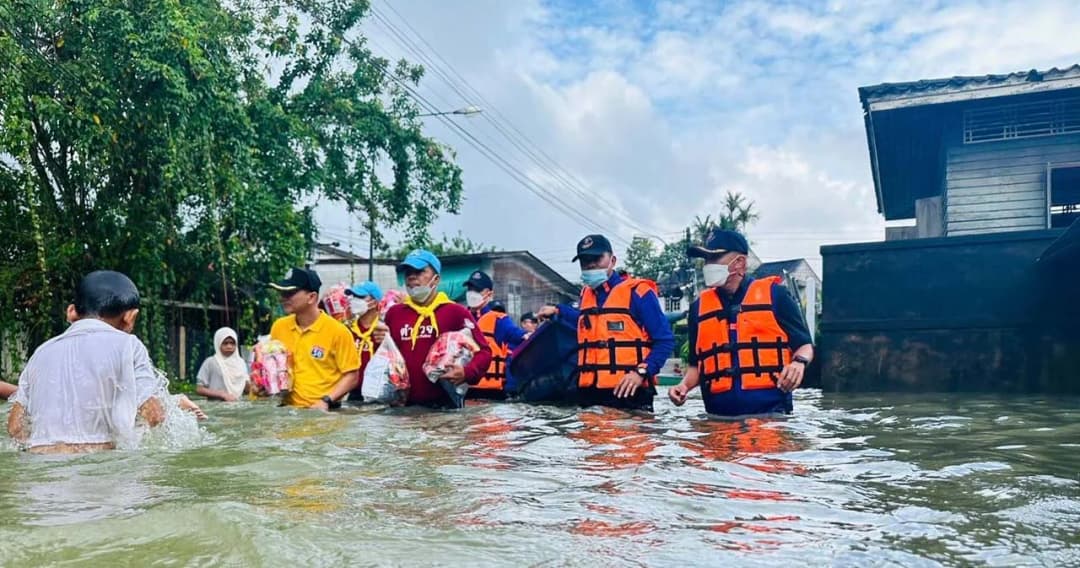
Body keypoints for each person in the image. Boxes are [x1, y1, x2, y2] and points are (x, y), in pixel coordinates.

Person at [6, 270, 205, 453]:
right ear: (130, 317)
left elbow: (15, 427)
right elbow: (153, 415)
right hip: (98, 469)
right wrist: (174, 403)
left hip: (41, 472)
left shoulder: (41, 352)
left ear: (71, 312)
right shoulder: (129, 345)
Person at [669, 229, 814, 416]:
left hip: (771, 418)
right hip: (717, 420)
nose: (707, 265)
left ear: (739, 263)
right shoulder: (698, 308)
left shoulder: (776, 295)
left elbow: (805, 346)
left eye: (715, 258)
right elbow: (696, 366)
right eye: (706, 259)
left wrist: (798, 363)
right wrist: (683, 386)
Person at [537, 235, 675, 412]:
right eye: (585, 261)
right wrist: (558, 311)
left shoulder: (638, 293)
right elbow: (587, 323)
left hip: (630, 394)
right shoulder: (586, 295)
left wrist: (641, 372)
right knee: (591, 439)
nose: (590, 265)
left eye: (596, 258)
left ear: (613, 260)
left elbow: (665, 341)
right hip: (589, 394)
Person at [382, 250, 492, 408]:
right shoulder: (395, 313)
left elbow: (484, 352)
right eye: (408, 272)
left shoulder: (455, 312)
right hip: (402, 409)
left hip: (443, 409)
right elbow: (386, 356)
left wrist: (466, 372)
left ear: (436, 279)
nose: (412, 277)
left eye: (419, 271)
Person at [269, 267, 360, 411]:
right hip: (286, 412)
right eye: (282, 293)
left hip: (324, 414)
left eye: (290, 293)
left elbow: (352, 376)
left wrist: (326, 400)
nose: (283, 298)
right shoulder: (279, 327)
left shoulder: (338, 332)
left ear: (311, 297)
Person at [463, 270, 527, 400]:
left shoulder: (499, 320)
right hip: (463, 392)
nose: (472, 293)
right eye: (470, 289)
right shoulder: (459, 317)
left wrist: (530, 335)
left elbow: (519, 336)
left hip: (491, 395)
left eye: (477, 290)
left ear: (489, 294)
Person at [343, 281, 388, 403]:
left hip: (380, 392)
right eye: (353, 297)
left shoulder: (383, 331)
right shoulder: (347, 330)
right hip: (352, 393)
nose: (354, 300)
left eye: (360, 297)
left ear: (373, 302)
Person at [196, 327, 251, 401]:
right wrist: (222, 394)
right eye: (225, 343)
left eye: (232, 343)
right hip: (216, 406)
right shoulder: (211, 362)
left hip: (237, 405)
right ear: (218, 343)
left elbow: (246, 389)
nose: (229, 346)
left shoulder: (241, 363)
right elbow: (200, 389)